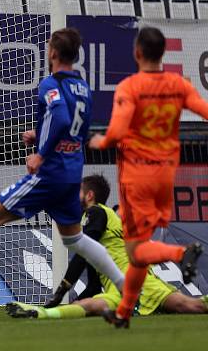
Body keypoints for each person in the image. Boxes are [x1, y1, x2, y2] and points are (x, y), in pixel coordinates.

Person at [0, 28, 125, 306]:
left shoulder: (50, 84)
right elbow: (78, 129)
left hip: (50, 173)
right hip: (72, 173)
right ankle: (126, 285)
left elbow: (61, 118)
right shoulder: (83, 87)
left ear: (52, 53)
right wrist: (41, 134)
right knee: (74, 240)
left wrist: (41, 152)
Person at [89, 26, 208, 328]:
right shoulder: (178, 84)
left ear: (137, 52)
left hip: (137, 176)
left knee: (136, 250)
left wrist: (99, 142)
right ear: (163, 52)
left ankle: (183, 253)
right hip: (166, 175)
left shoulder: (130, 87)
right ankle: (125, 311)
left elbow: (116, 132)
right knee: (139, 253)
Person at [6, 174, 208, 320]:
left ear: (90, 195)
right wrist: (68, 299)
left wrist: (62, 289)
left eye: (79, 191)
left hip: (137, 281)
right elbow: (94, 282)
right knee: (89, 305)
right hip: (116, 287)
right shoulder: (101, 218)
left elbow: (83, 254)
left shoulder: (97, 212)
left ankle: (45, 311)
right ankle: (41, 313)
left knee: (192, 307)